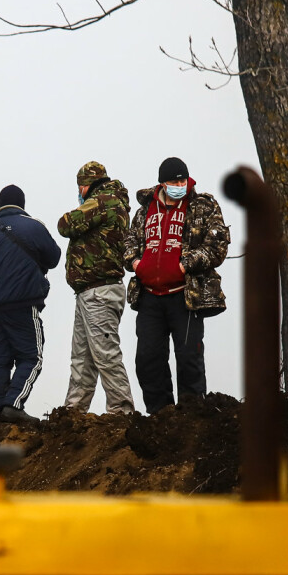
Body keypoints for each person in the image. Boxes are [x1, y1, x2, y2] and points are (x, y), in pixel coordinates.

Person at [124, 156, 230, 413]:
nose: (180, 184)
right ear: (162, 183)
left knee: (189, 359)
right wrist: (136, 263)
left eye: (183, 180)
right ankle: (161, 416)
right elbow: (128, 243)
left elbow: (218, 244)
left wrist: (185, 264)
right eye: (174, 181)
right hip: (149, 297)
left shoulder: (203, 206)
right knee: (147, 360)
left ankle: (191, 418)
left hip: (186, 295)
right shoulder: (144, 210)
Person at [0, 184, 62, 424]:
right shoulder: (34, 227)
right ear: (23, 204)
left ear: (0, 205)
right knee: (32, 357)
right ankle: (13, 404)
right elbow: (54, 258)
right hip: (24, 304)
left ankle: (1, 408)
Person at [56, 160, 136, 415]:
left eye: (81, 187)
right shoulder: (111, 202)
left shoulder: (104, 201)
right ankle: (73, 413)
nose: (79, 193)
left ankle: (122, 411)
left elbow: (65, 223)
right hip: (89, 291)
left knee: (105, 355)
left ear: (87, 185)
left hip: (100, 292)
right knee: (82, 358)